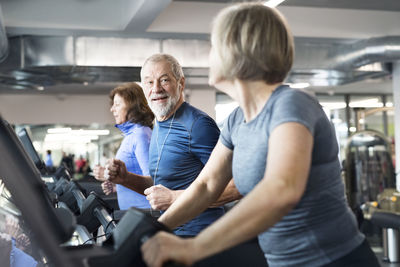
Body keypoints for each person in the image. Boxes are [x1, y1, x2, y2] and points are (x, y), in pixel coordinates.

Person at [140, 3, 380, 267]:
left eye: (214, 46)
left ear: (238, 52)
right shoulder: (236, 120)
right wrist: (151, 232)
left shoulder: (291, 104)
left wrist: (195, 247)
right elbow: (207, 186)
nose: (208, 55)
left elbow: (281, 190)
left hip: (334, 260)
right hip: (282, 261)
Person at [106, 53, 241, 236]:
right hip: (170, 231)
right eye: (149, 82)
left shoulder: (197, 125)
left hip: (200, 235)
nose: (156, 89)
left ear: (181, 83)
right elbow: (163, 183)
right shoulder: (159, 124)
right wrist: (126, 178)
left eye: (164, 80)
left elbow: (235, 185)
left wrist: (174, 198)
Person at [93, 82, 154, 210]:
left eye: (117, 104)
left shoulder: (140, 134)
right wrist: (116, 186)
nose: (112, 109)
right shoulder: (131, 135)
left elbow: (154, 184)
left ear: (132, 106)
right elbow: (135, 176)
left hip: (144, 214)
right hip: (132, 212)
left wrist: (108, 174)